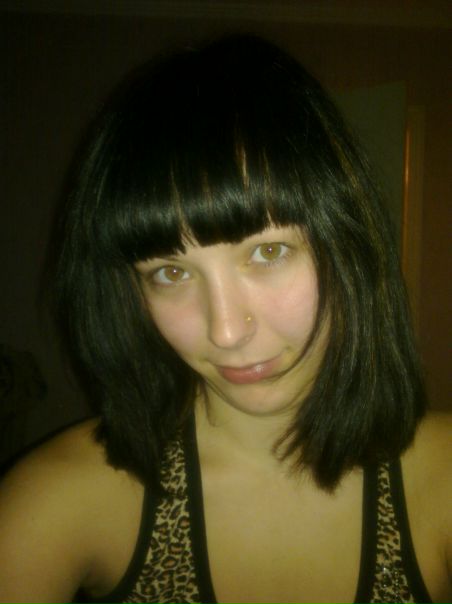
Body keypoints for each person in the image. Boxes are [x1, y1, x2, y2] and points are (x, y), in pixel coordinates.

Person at [0, 34, 450, 604]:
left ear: (348, 246)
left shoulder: (443, 478)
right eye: (171, 272)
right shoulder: (57, 498)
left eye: (268, 252)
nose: (227, 332)